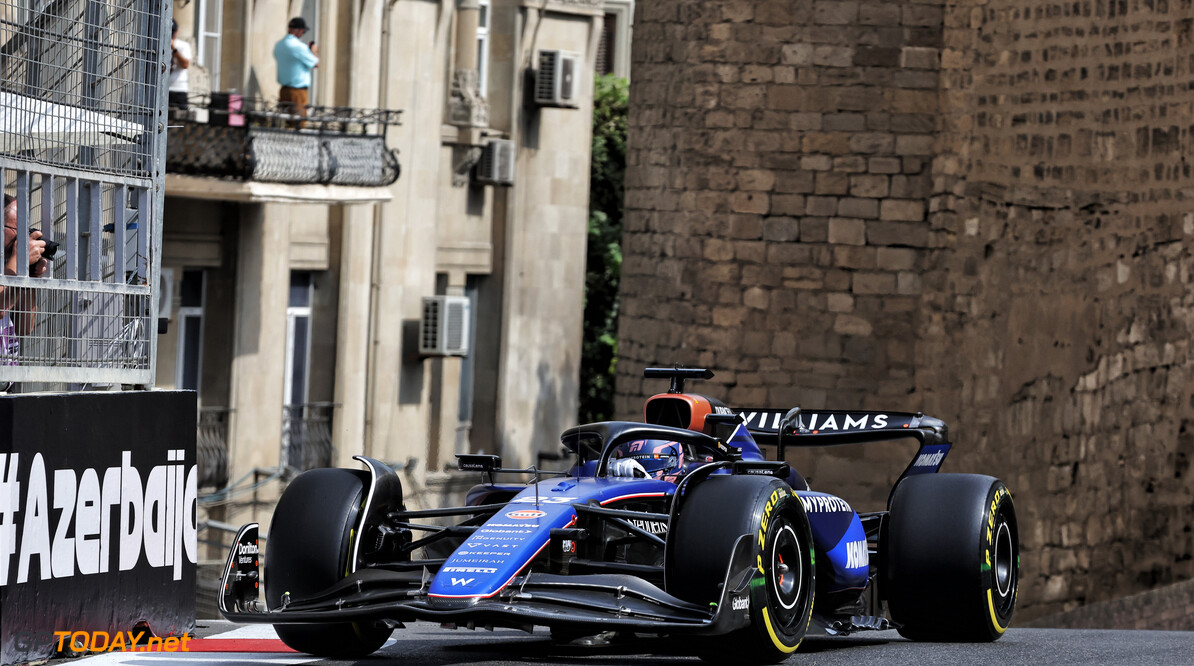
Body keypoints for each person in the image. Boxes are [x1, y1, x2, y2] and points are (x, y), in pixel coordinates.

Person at [1, 194, 48, 392]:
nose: (22, 238)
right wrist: (19, 262)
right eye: (16, 229)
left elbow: (25, 326)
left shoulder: (7, 266)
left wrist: (29, 278)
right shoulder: (11, 265)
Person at [273, 17, 318, 127]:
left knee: (286, 124)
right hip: (297, 92)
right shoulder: (299, 46)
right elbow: (315, 63)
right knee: (298, 125)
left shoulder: (279, 44)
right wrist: (313, 51)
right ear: (299, 31)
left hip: (284, 90)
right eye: (303, 31)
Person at [168, 20, 191, 110]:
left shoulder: (183, 45)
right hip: (165, 88)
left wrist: (174, 49)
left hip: (179, 89)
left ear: (176, 32)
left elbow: (185, 65)